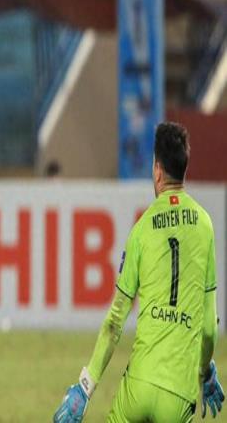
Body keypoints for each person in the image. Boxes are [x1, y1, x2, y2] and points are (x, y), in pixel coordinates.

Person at [53, 122, 225, 422]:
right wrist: (205, 370)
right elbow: (209, 328)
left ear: (157, 170)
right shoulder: (205, 225)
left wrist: (85, 386)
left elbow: (115, 322)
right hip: (179, 393)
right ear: (183, 168)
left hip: (139, 385)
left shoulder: (142, 229)